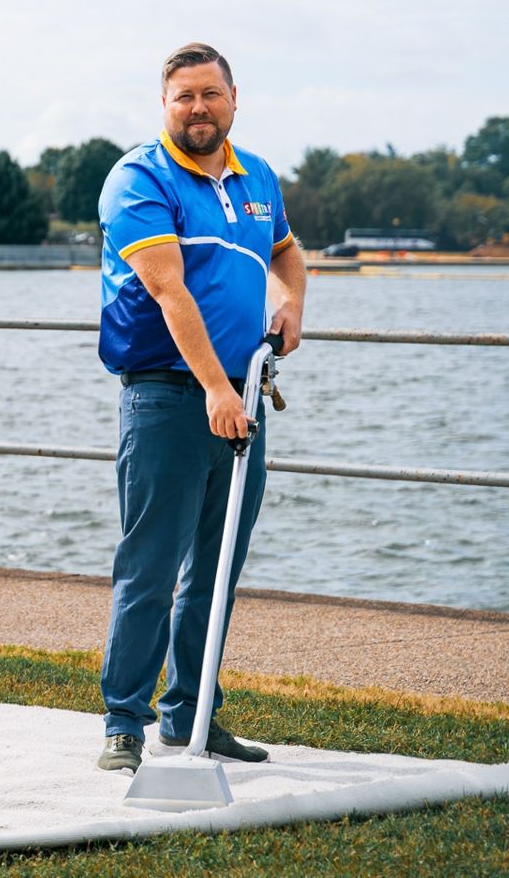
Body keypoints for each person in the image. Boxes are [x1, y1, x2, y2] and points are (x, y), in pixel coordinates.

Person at [92, 42, 306, 775]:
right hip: (167, 399)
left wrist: (292, 302)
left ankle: (194, 717)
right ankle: (124, 723)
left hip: (241, 403)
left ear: (234, 98)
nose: (198, 108)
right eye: (183, 96)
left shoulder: (258, 178)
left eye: (210, 94)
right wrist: (216, 388)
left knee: (217, 571)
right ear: (164, 104)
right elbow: (168, 290)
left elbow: (288, 253)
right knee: (149, 568)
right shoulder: (138, 179)